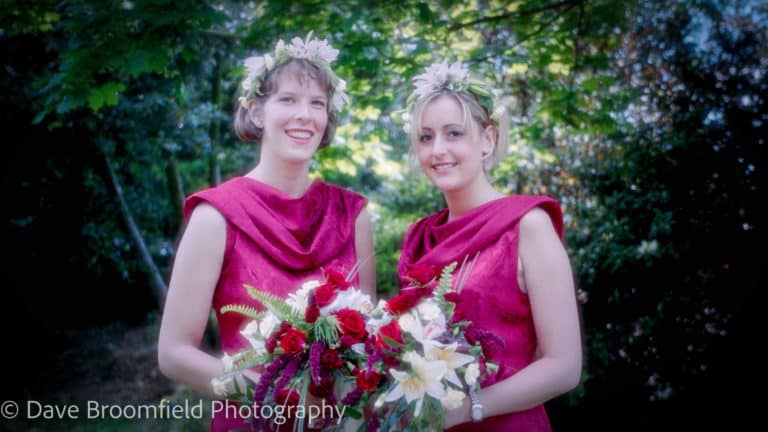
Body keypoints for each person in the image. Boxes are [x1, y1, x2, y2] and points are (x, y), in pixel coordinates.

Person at [158, 34, 376, 431]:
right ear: (256, 112)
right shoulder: (215, 216)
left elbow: (369, 344)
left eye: (317, 104)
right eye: (288, 99)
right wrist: (280, 395)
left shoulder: (353, 214)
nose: (305, 115)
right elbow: (173, 353)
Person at [397, 61, 582, 431]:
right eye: (426, 137)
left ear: (487, 139)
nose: (438, 150)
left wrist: (469, 408)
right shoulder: (418, 237)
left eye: (454, 133)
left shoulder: (528, 226)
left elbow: (564, 366)